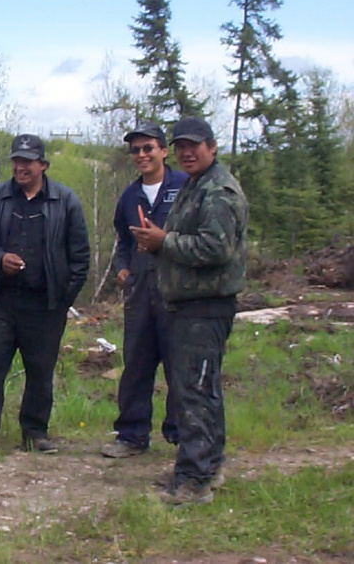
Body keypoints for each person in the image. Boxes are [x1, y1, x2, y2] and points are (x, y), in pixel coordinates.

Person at [130, 116, 248, 505]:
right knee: (200, 390)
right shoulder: (197, 186)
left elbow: (216, 249)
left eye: (193, 145)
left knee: (195, 393)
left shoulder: (219, 191)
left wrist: (164, 242)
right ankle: (206, 467)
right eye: (180, 146)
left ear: (212, 147)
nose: (186, 152)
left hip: (205, 307)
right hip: (188, 305)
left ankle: (194, 481)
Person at [0, 134, 90, 457]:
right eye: (16, 161)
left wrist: (64, 299)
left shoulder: (66, 201)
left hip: (46, 304)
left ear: (43, 165)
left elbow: (80, 256)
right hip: (1, 302)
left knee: (40, 371)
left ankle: (35, 432)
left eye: (28, 161)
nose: (20, 167)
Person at [101, 123, 188, 459]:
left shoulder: (183, 186)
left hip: (177, 289)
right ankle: (132, 435)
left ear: (164, 151)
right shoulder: (130, 196)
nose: (142, 155)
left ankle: (181, 434)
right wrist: (122, 269)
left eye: (148, 148)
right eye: (135, 150)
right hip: (139, 291)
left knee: (179, 362)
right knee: (136, 363)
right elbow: (123, 239)